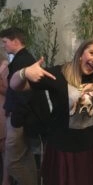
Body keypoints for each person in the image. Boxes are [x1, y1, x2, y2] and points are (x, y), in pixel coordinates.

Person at [9, 38, 93, 185]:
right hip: (62, 150)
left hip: (89, 149)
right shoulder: (59, 74)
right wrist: (24, 73)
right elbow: (15, 86)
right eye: (92, 53)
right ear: (81, 54)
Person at [0, 27, 50, 185]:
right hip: (21, 117)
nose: (3, 46)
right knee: (24, 158)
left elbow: (22, 92)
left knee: (13, 162)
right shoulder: (23, 58)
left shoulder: (22, 60)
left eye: (5, 42)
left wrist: (16, 119)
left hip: (19, 119)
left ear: (15, 41)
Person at [0, 53, 10, 185]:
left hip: (2, 114)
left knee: (5, 152)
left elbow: (10, 90)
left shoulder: (4, 66)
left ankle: (6, 181)